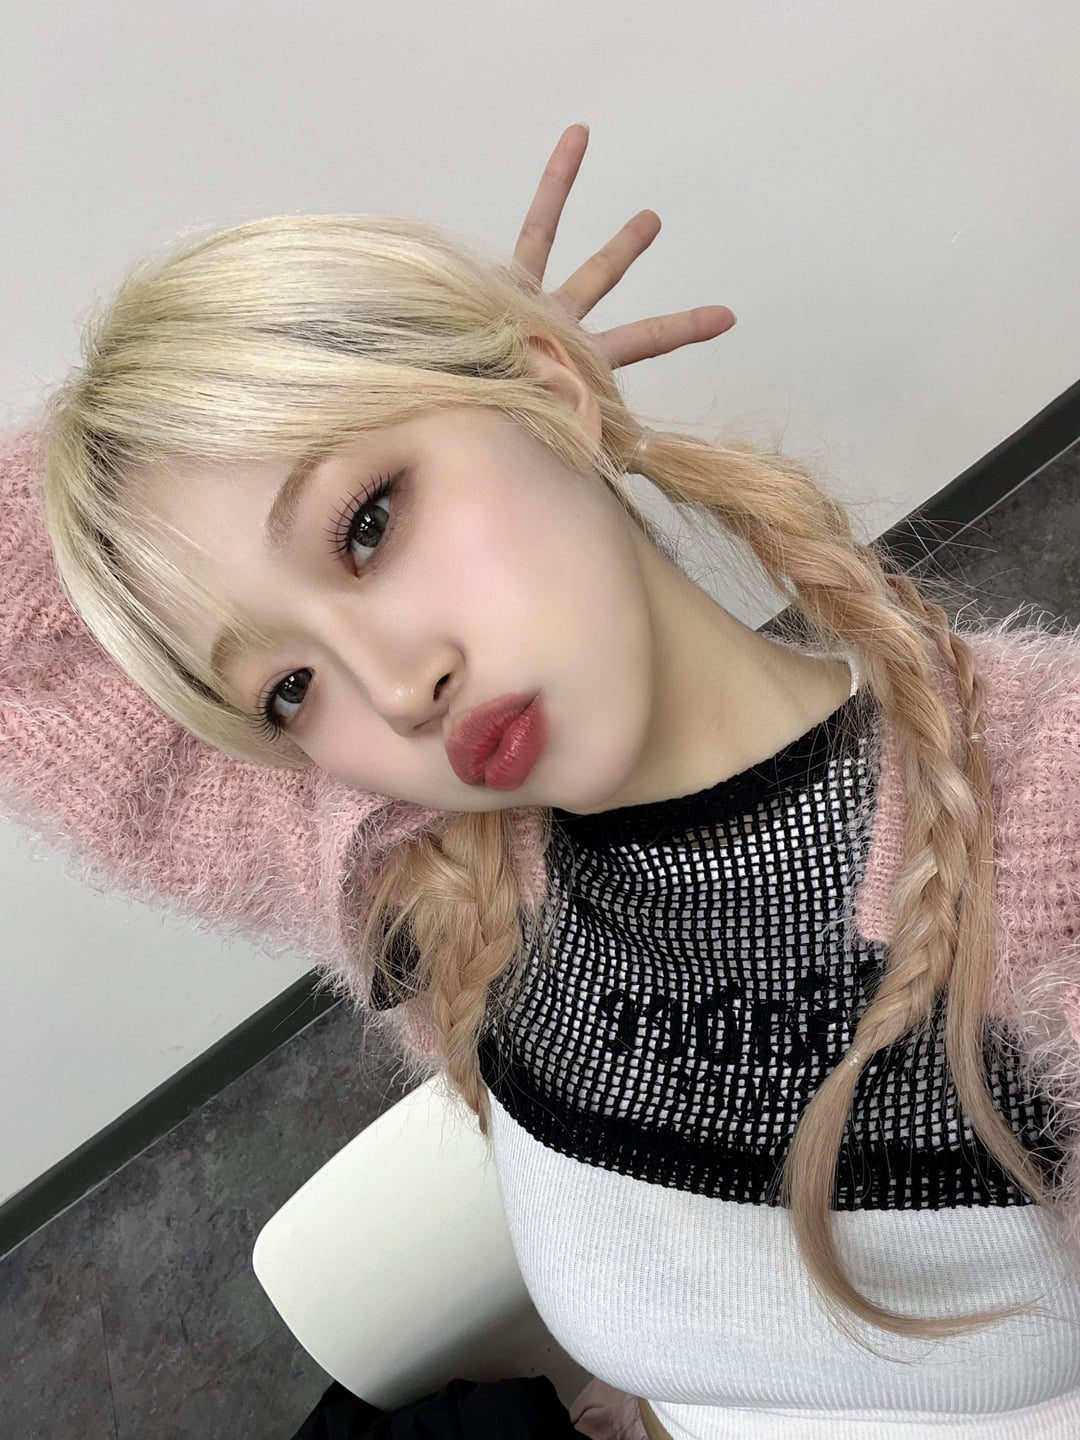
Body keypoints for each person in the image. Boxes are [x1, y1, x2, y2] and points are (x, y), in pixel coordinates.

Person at [5, 123, 1080, 1437]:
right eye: (288, 688)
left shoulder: (1049, 834)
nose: (395, 690)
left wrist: (483, 387)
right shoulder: (436, 884)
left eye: (368, 524)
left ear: (554, 383)